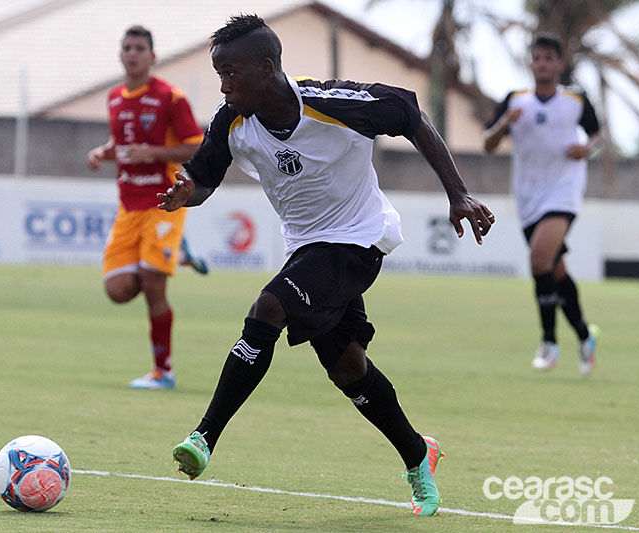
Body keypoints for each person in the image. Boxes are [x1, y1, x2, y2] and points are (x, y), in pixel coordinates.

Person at [157, 14, 495, 516]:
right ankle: (418, 453)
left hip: (360, 240)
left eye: (230, 73)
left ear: (265, 68)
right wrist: (187, 192)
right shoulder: (231, 121)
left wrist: (458, 193)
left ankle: (203, 438)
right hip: (308, 249)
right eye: (218, 74)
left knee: (269, 307)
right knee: (347, 367)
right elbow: (204, 177)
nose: (223, 85)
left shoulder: (335, 103)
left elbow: (410, 114)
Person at [87, 25, 207, 390]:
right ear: (120, 54)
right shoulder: (114, 98)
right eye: (127, 47)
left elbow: (196, 145)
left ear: (152, 57)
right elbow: (121, 141)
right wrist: (102, 152)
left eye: (140, 48)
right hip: (129, 205)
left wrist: (154, 153)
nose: (132, 53)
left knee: (154, 285)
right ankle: (176, 254)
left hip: (163, 203)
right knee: (117, 289)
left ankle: (163, 372)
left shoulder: (170, 98)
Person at [483, 32, 600, 375]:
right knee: (555, 269)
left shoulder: (576, 100)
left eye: (549, 58)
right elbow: (488, 143)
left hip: (564, 190)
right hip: (528, 195)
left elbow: (597, 135)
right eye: (537, 58)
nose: (543, 64)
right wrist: (505, 123)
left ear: (560, 63)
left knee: (538, 258)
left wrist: (588, 149)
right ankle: (584, 334)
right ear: (531, 63)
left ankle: (549, 341)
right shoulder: (515, 100)